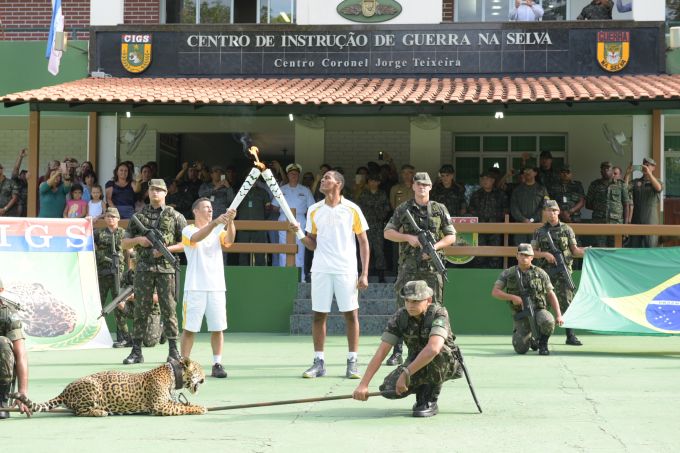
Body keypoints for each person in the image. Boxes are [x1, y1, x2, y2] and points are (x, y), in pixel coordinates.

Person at [293, 170, 370, 380]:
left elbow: (363, 241)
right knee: (319, 315)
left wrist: (364, 273)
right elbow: (312, 243)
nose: (323, 180)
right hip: (321, 269)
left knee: (351, 314)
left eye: (327, 178)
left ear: (338, 184)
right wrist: (299, 233)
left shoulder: (352, 209)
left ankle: (353, 361)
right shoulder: (314, 210)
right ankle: (319, 362)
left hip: (346, 269)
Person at [352, 280, 462, 417]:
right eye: (407, 301)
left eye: (415, 301)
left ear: (428, 300)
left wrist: (406, 374)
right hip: (416, 361)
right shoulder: (400, 317)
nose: (410, 305)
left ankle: (429, 400)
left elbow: (433, 348)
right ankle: (422, 387)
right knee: (389, 389)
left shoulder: (439, 314)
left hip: (445, 362)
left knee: (437, 352)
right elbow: (381, 352)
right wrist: (363, 384)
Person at [384, 172, 456, 366]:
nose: (422, 187)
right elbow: (388, 232)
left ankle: (436, 349)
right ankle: (397, 352)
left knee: (435, 308)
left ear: (430, 187)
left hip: (432, 268)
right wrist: (409, 238)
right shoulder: (404, 208)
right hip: (409, 267)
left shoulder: (439, 209)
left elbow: (451, 236)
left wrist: (435, 247)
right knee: (402, 309)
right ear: (413, 187)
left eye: (426, 184)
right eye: (419, 184)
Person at [121, 179, 187, 364]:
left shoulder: (176, 216)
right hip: (143, 268)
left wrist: (168, 249)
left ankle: (174, 351)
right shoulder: (138, 216)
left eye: (159, 190)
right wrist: (139, 240)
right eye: (152, 189)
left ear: (166, 193)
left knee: (169, 309)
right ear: (148, 192)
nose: (155, 193)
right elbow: (124, 243)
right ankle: (136, 351)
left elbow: (186, 244)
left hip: (166, 269)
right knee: (141, 309)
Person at [180, 198, 236, 379]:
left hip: (217, 286)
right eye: (206, 207)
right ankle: (184, 364)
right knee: (190, 329)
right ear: (195, 211)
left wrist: (231, 221)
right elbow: (197, 238)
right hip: (195, 287)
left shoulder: (218, 230)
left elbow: (229, 241)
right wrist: (215, 223)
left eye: (211, 208)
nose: (210, 210)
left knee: (217, 328)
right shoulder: (188, 230)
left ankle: (217, 363)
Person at [532, 200, 588, 346]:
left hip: (563, 272)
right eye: (548, 211)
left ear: (558, 212)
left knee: (567, 303)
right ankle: (540, 337)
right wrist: (545, 254)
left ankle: (570, 335)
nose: (551, 213)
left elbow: (575, 251)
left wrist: (588, 252)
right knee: (543, 304)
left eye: (553, 211)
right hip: (545, 274)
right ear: (544, 213)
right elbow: (532, 253)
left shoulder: (567, 229)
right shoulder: (539, 231)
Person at [491, 243, 564, 355]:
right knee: (520, 349)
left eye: (527, 255)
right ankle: (529, 340)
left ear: (532, 257)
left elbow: (551, 293)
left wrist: (558, 314)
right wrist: (513, 297)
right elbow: (495, 292)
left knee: (548, 320)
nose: (524, 257)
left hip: (539, 310)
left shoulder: (540, 273)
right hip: (521, 313)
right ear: (517, 256)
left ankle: (543, 344)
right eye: (522, 255)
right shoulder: (508, 273)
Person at [94, 207, 130, 347]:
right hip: (102, 274)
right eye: (108, 216)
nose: (110, 218)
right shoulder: (99, 233)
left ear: (118, 219)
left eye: (113, 216)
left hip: (118, 275)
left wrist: (130, 270)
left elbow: (129, 252)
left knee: (118, 304)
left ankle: (123, 337)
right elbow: (88, 242)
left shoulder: (124, 233)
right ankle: (96, 335)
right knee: (99, 304)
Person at [273, 163, 315, 281]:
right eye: (291, 174)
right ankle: (284, 276)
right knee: (284, 248)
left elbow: (312, 208)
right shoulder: (281, 189)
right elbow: (274, 206)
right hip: (284, 220)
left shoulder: (305, 190)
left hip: (300, 219)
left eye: (296, 174)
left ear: (298, 176)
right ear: (287, 175)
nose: (293, 176)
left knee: (299, 248)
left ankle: (300, 277)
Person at [0, 277, 31, 419]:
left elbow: (20, 354)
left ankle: (2, 399)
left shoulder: (8, 314)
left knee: (3, 343)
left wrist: (22, 392)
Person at [468, 171, 509, 268]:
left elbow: (506, 209)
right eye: (483, 179)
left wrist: (495, 217)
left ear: (493, 180)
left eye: (487, 179)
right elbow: (471, 209)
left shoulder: (500, 194)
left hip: (495, 228)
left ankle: (495, 276)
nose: (485, 181)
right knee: (480, 254)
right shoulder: (476, 194)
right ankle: (479, 275)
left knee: (495, 254)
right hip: (480, 229)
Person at [586, 161, 630, 247]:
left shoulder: (621, 184)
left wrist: (626, 225)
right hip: (599, 223)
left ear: (612, 171)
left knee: (615, 250)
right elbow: (588, 204)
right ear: (601, 171)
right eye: (604, 169)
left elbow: (626, 205)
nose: (606, 170)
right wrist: (600, 209)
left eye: (608, 169)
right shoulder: (594, 185)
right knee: (600, 249)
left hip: (616, 224)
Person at [357, 173, 391, 282]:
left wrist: (380, 215)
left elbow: (387, 207)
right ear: (368, 182)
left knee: (379, 250)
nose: (373, 183)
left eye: (376, 181)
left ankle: (381, 274)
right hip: (365, 226)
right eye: (371, 181)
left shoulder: (382, 194)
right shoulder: (363, 194)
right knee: (364, 249)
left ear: (379, 182)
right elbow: (359, 208)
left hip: (378, 225)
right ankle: (362, 272)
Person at [510, 167, 549, 244]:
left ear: (535, 173)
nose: (527, 172)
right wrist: (523, 219)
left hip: (536, 225)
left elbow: (544, 206)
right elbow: (514, 207)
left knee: (536, 251)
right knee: (521, 251)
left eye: (529, 170)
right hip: (520, 225)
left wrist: (532, 219)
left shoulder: (542, 189)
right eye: (525, 171)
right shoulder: (517, 190)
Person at [630, 158, 663, 248]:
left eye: (648, 165)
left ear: (653, 168)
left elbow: (659, 188)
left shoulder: (657, 181)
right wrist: (628, 173)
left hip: (650, 220)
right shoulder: (636, 181)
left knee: (651, 246)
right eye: (644, 165)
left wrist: (649, 173)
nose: (645, 167)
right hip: (636, 219)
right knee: (634, 247)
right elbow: (624, 189)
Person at [236, 181, 270, 266]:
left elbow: (268, 209)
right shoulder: (240, 191)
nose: (252, 180)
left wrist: (261, 218)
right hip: (243, 227)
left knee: (260, 254)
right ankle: (243, 276)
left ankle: (260, 275)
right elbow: (234, 207)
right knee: (243, 254)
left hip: (259, 227)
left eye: (254, 178)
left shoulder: (263, 192)